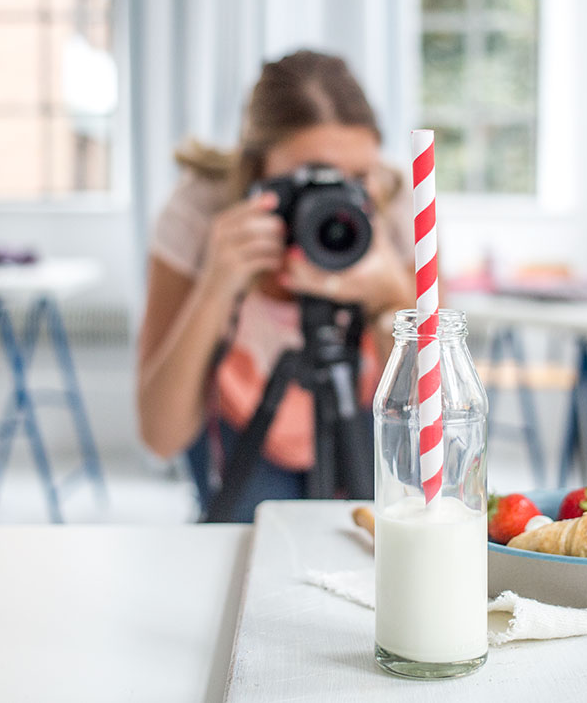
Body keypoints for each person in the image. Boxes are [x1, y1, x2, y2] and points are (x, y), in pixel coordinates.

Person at [137, 50, 414, 522]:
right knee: (246, 548)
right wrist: (216, 287)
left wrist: (395, 299)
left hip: (363, 414)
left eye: (355, 179)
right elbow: (160, 436)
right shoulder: (200, 211)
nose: (336, 201)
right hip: (242, 429)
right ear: (257, 170)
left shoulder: (395, 206)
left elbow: (434, 430)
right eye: (311, 180)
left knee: (373, 542)